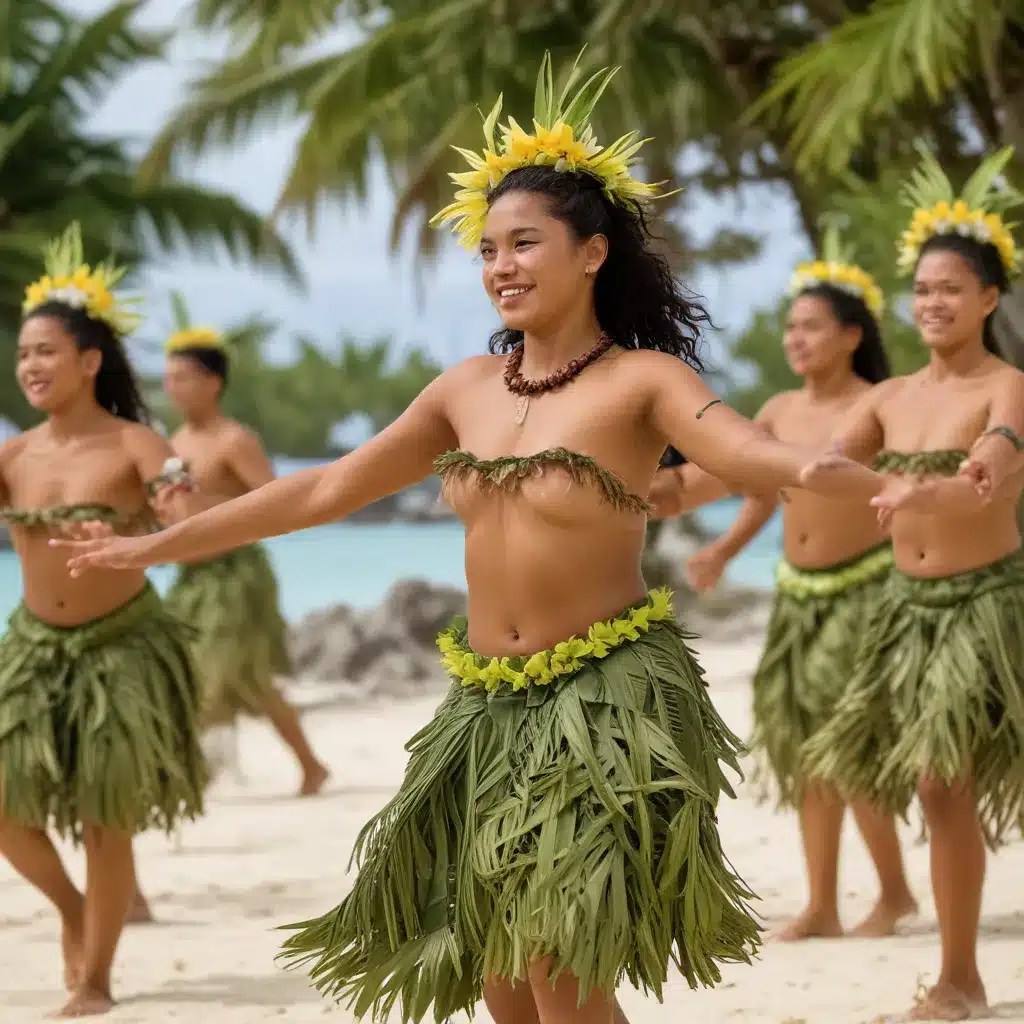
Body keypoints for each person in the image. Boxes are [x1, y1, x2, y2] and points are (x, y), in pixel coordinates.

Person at [54, 54, 882, 1024]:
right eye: (487, 249)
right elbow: (324, 487)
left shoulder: (641, 381)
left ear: (592, 252)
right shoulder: (465, 389)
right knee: (500, 985)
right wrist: (162, 545)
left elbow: (738, 447)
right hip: (485, 708)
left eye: (524, 243)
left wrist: (814, 471)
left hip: (602, 701)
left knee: (558, 971)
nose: (500, 267)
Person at [797, 145, 1024, 1021]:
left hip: (982, 609)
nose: (933, 303)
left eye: (952, 290)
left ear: (989, 300)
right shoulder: (888, 396)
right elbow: (817, 466)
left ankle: (961, 978)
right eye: (923, 289)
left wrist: (928, 488)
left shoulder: (1006, 385)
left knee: (940, 786)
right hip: (904, 613)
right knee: (912, 780)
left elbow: (993, 475)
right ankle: (944, 955)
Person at [651, 228, 917, 941]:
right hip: (797, 595)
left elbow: (908, 486)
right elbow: (753, 487)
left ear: (852, 335)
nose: (795, 340)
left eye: (811, 327)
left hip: (865, 593)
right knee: (800, 748)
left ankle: (892, 894)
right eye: (790, 328)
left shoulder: (882, 399)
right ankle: (824, 904)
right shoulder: (777, 410)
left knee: (844, 744)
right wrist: (717, 545)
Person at [0, 224, 207, 1017]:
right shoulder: (14, 455)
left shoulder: (137, 443)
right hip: (30, 646)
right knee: (9, 808)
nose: (31, 366)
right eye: (23, 354)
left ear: (89, 361)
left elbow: (187, 515)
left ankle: (96, 980)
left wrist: (134, 539)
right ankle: (71, 908)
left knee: (103, 818)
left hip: (122, 649)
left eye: (46, 351)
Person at [161, 320, 329, 796]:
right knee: (242, 680)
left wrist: (225, 535)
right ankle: (310, 764)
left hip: (235, 577)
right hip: (190, 578)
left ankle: (188, 779)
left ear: (212, 382)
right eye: (168, 378)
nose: (173, 387)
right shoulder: (175, 441)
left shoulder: (233, 440)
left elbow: (276, 501)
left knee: (216, 673)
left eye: (183, 377)